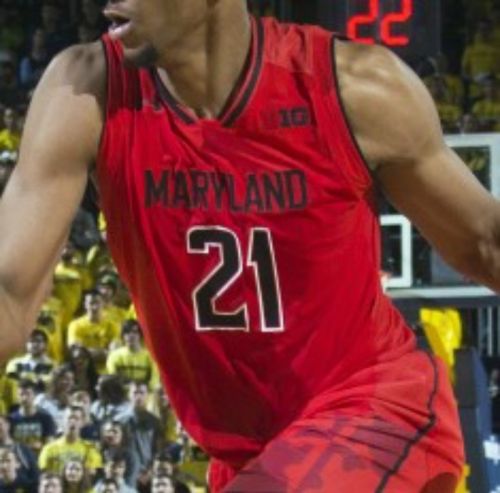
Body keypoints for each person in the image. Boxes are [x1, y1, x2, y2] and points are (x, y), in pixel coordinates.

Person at [7, 0, 500, 490]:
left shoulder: (351, 87)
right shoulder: (85, 90)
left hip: (379, 414)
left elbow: (483, 242)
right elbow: (10, 291)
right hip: (253, 457)